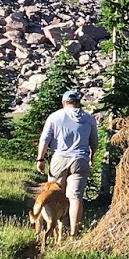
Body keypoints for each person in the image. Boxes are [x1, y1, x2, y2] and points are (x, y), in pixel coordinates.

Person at [36, 89, 99, 238]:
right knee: (75, 197)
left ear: (64, 102)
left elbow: (45, 139)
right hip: (80, 160)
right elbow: (94, 142)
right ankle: (73, 233)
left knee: (53, 195)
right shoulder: (89, 118)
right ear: (78, 103)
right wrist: (92, 156)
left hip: (59, 159)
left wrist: (40, 159)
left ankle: (54, 231)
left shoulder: (55, 117)